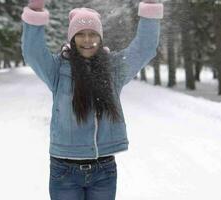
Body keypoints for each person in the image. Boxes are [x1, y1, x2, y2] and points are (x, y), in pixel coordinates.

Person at [21, 0, 163, 199]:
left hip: (103, 170)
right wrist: (35, 12)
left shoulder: (113, 69)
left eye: (93, 34)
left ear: (100, 37)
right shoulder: (57, 69)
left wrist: (150, 6)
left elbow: (144, 49)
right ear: (72, 38)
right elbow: (32, 53)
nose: (87, 40)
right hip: (64, 171)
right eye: (80, 34)